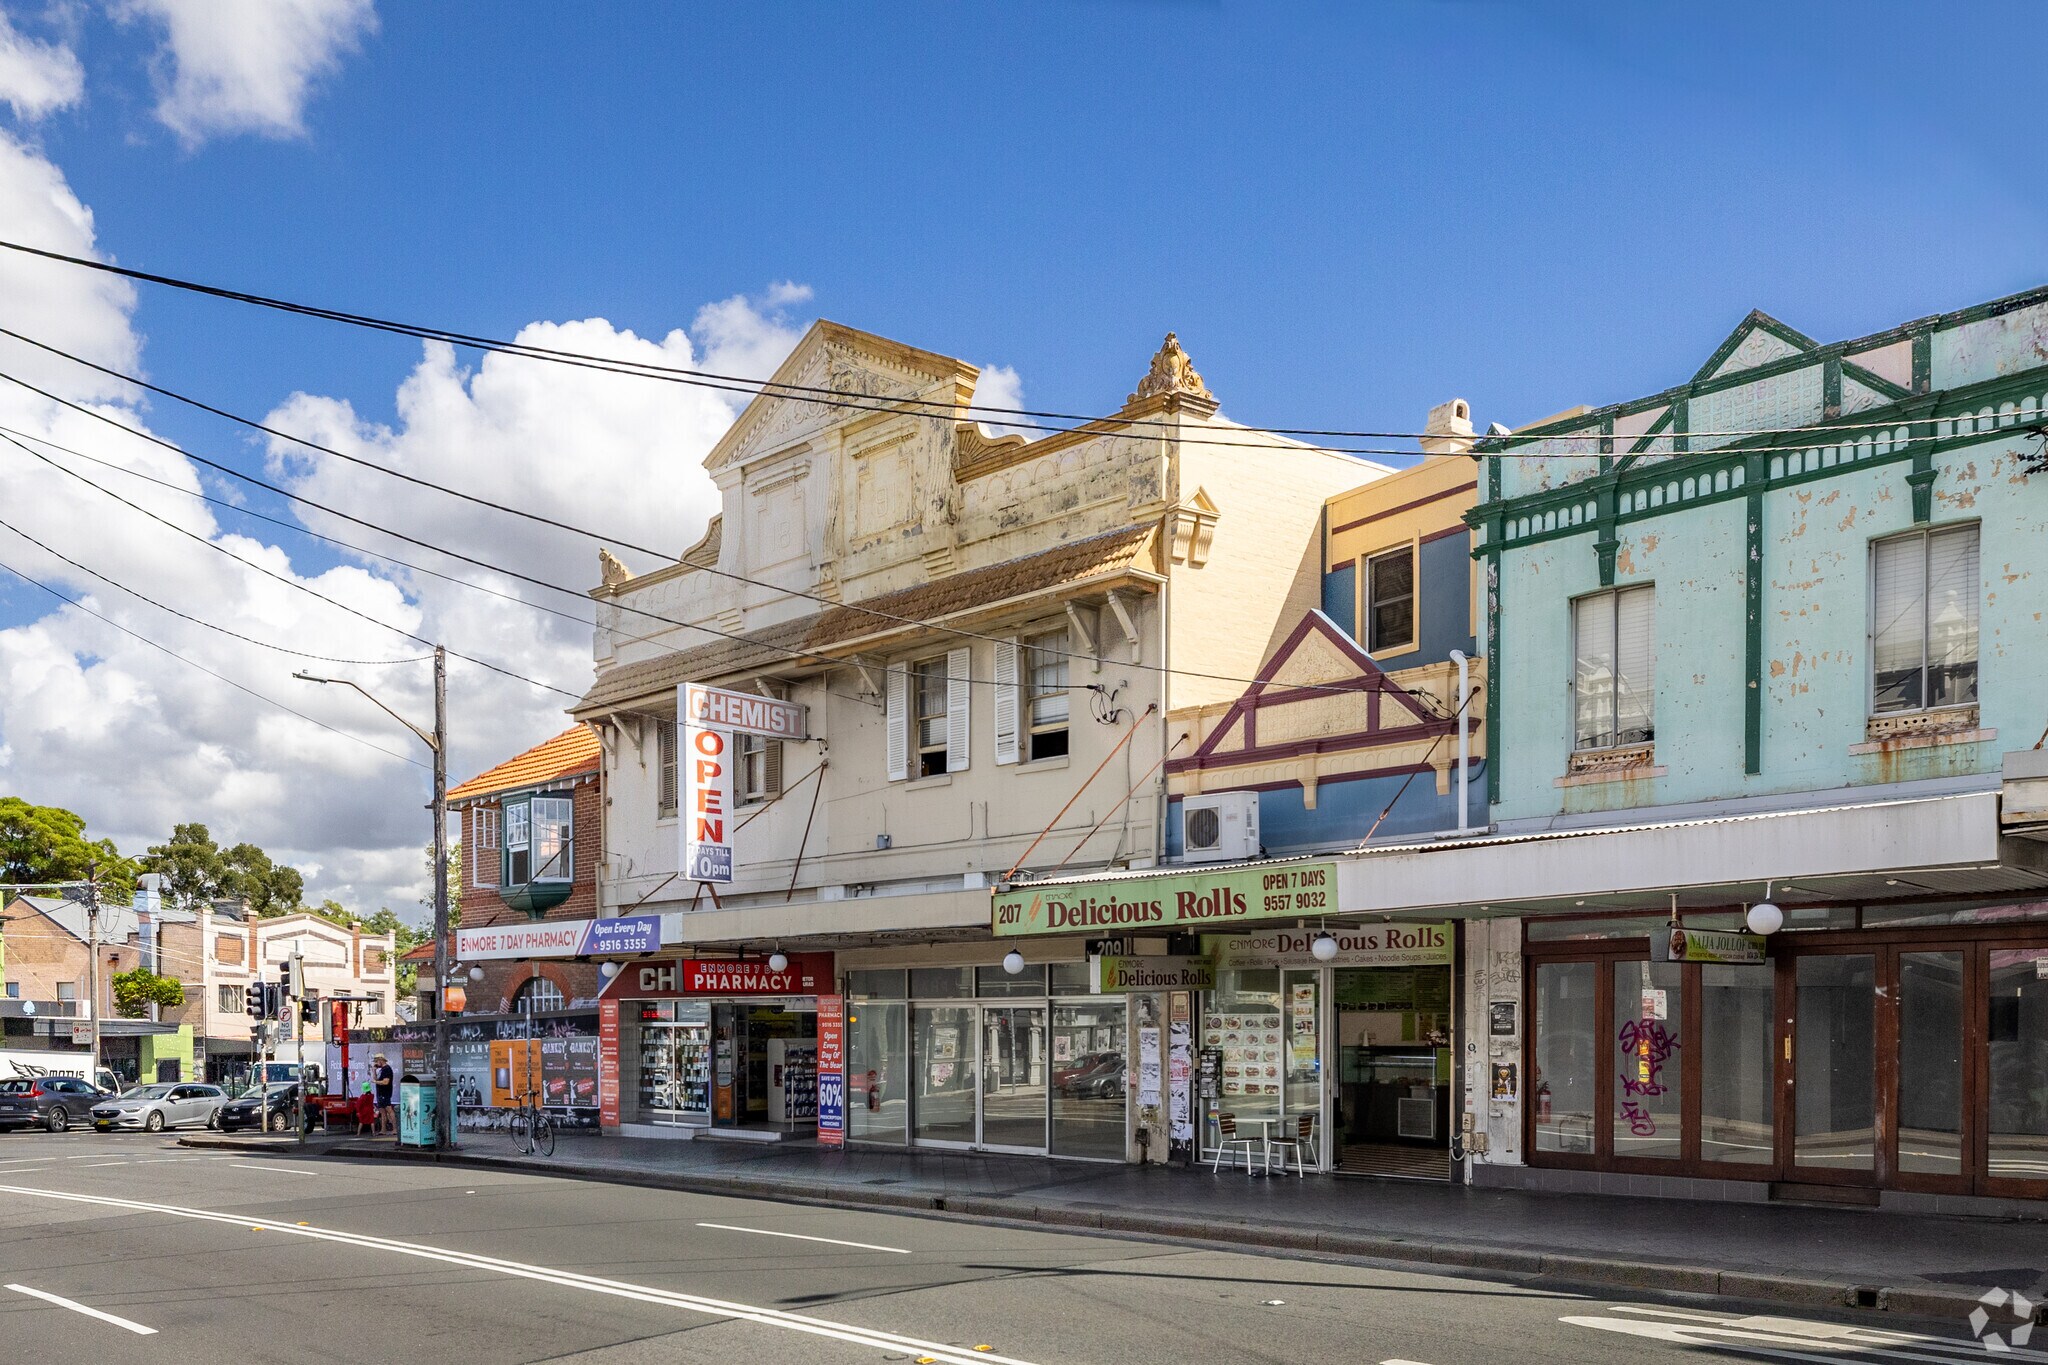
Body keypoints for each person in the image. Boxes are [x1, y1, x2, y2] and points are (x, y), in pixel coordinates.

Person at [372, 1054, 395, 1135]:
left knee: (389, 1109)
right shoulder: (381, 1070)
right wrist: (374, 1070)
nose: (376, 1063)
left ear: (381, 1060)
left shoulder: (386, 1069)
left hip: (385, 1093)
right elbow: (375, 1078)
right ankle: (383, 1129)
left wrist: (376, 1082)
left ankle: (395, 1129)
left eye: (377, 1061)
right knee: (382, 1111)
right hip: (380, 1092)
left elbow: (386, 1082)